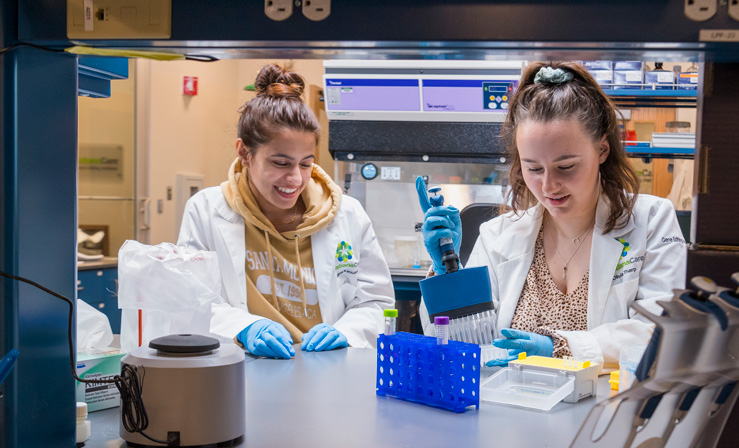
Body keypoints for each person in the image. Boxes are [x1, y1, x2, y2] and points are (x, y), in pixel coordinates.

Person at [417, 61, 687, 372]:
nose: (548, 186)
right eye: (533, 168)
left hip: (605, 412)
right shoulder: (498, 235)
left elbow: (660, 332)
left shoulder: (650, 221)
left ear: (602, 149)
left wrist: (560, 347)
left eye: (566, 166)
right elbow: (467, 347)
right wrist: (447, 275)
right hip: (513, 413)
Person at [178, 64, 394, 358]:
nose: (295, 178)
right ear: (244, 153)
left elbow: (377, 303)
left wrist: (346, 331)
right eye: (280, 163)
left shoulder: (347, 214)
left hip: (327, 370)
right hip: (244, 369)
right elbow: (190, 301)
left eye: (305, 163)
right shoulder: (206, 210)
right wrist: (243, 327)